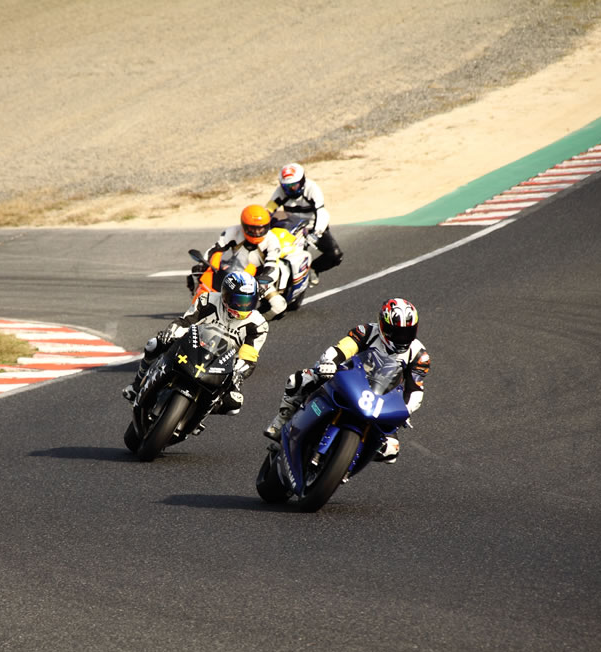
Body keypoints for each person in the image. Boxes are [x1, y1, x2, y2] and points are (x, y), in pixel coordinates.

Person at [262, 298, 430, 463]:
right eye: (396, 332)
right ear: (382, 325)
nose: (402, 338)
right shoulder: (367, 332)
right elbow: (341, 349)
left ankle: (347, 464)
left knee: (391, 450)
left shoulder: (419, 355)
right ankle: (281, 421)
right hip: (352, 381)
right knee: (299, 380)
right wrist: (329, 363)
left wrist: (405, 410)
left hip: (382, 399)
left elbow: (415, 390)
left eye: (407, 332)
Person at [124, 270, 269, 417]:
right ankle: (137, 385)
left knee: (234, 405)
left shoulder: (258, 325)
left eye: (248, 302)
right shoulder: (208, 300)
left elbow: (248, 357)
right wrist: (171, 332)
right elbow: (185, 321)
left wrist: (238, 373)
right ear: (225, 295)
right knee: (154, 344)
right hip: (195, 346)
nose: (243, 306)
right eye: (238, 301)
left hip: (223, 364)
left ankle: (196, 415)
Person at [265, 163, 343, 282]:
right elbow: (269, 209)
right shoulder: (281, 191)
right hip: (292, 229)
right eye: (287, 186)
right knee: (288, 259)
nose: (291, 190)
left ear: (302, 181)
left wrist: (316, 232)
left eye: (294, 185)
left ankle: (314, 269)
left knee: (335, 255)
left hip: (313, 229)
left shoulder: (312, 189)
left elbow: (321, 212)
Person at [187, 204, 282, 300]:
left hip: (259, 278)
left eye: (260, 228)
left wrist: (262, 284)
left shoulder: (272, 240)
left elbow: (272, 267)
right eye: (252, 229)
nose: (257, 232)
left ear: (266, 226)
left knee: (278, 304)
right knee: (198, 275)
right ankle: (197, 300)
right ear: (244, 225)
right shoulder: (233, 231)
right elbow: (215, 249)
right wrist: (202, 263)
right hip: (236, 272)